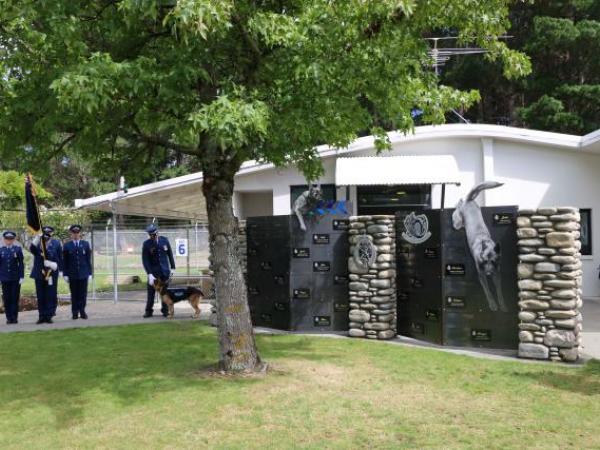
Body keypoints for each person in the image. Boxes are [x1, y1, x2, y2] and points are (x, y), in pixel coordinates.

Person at [29, 225, 63, 324]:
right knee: (40, 295)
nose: (46, 239)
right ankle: (41, 315)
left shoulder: (56, 243)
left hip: (51, 273)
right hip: (39, 273)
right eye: (45, 236)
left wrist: (57, 267)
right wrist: (37, 237)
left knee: (50, 294)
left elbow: (60, 257)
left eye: (49, 235)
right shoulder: (38, 244)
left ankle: (49, 315)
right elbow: (31, 248)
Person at [142, 224, 175, 318]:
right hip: (153, 273)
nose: (152, 236)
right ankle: (148, 311)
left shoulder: (164, 240)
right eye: (150, 235)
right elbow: (145, 260)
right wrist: (149, 274)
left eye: (153, 234)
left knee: (164, 292)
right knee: (151, 293)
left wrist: (173, 268)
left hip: (164, 272)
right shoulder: (146, 244)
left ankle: (165, 310)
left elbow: (170, 255)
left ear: (157, 233)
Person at [63, 225, 92, 320]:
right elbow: (65, 261)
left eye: (77, 233)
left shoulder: (85, 244)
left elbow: (88, 260)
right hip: (72, 274)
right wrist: (65, 274)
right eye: (74, 233)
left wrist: (90, 273)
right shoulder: (67, 245)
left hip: (83, 273)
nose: (76, 235)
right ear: (71, 234)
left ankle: (82, 311)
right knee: (74, 294)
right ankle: (75, 312)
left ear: (80, 234)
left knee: (83, 294)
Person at [0, 231, 25, 324]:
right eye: (7, 239)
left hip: (15, 278)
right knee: (7, 298)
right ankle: (8, 317)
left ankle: (14, 317)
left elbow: (21, 263)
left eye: (10, 239)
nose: (9, 241)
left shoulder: (17, 249)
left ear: (13, 240)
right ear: (4, 240)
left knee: (14, 297)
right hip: (4, 278)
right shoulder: (1, 250)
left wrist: (21, 276)